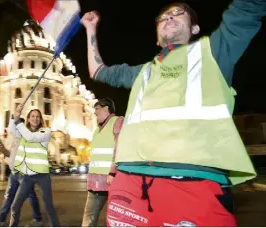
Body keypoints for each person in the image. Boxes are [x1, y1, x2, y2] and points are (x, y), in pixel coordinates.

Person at [81, 0, 265, 226]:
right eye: (163, 16)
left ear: (195, 29)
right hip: (129, 183)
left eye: (179, 13)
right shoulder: (143, 72)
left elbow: (247, 7)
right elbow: (98, 71)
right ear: (157, 38)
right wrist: (90, 29)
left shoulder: (213, 52)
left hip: (193, 183)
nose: (169, 17)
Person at [0, 118, 43, 227]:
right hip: (14, 172)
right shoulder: (13, 138)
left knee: (30, 196)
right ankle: (1, 219)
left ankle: (38, 219)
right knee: (9, 196)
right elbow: (10, 154)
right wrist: (2, 149)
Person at [9, 105, 60, 227]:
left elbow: (30, 137)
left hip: (42, 176)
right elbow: (13, 130)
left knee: (48, 206)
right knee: (15, 206)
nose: (35, 119)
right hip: (27, 176)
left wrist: (18, 121)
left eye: (38, 116)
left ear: (41, 119)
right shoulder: (23, 132)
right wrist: (15, 116)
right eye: (32, 116)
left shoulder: (45, 132)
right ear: (28, 118)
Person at [82, 98, 124, 227]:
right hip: (95, 182)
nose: (95, 114)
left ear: (106, 108)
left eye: (97, 110)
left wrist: (113, 172)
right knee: (89, 216)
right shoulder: (96, 130)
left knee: (115, 218)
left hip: (112, 180)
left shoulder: (117, 122)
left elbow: (120, 147)